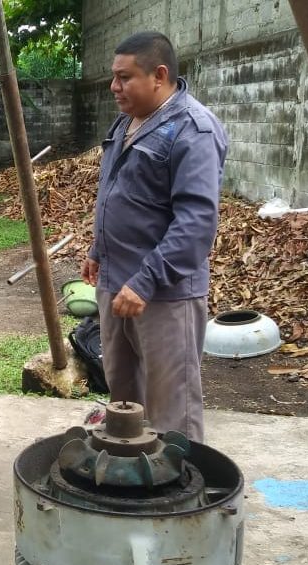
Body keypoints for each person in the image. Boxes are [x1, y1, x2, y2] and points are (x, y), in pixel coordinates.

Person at [80, 31, 228, 443]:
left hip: (163, 296)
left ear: (159, 75)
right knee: (125, 402)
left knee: (171, 411)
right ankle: (132, 477)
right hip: (116, 285)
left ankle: (179, 482)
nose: (114, 87)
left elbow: (196, 222)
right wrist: (98, 250)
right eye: (114, 77)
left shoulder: (193, 130)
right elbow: (117, 189)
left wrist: (144, 282)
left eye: (124, 77)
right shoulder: (127, 121)